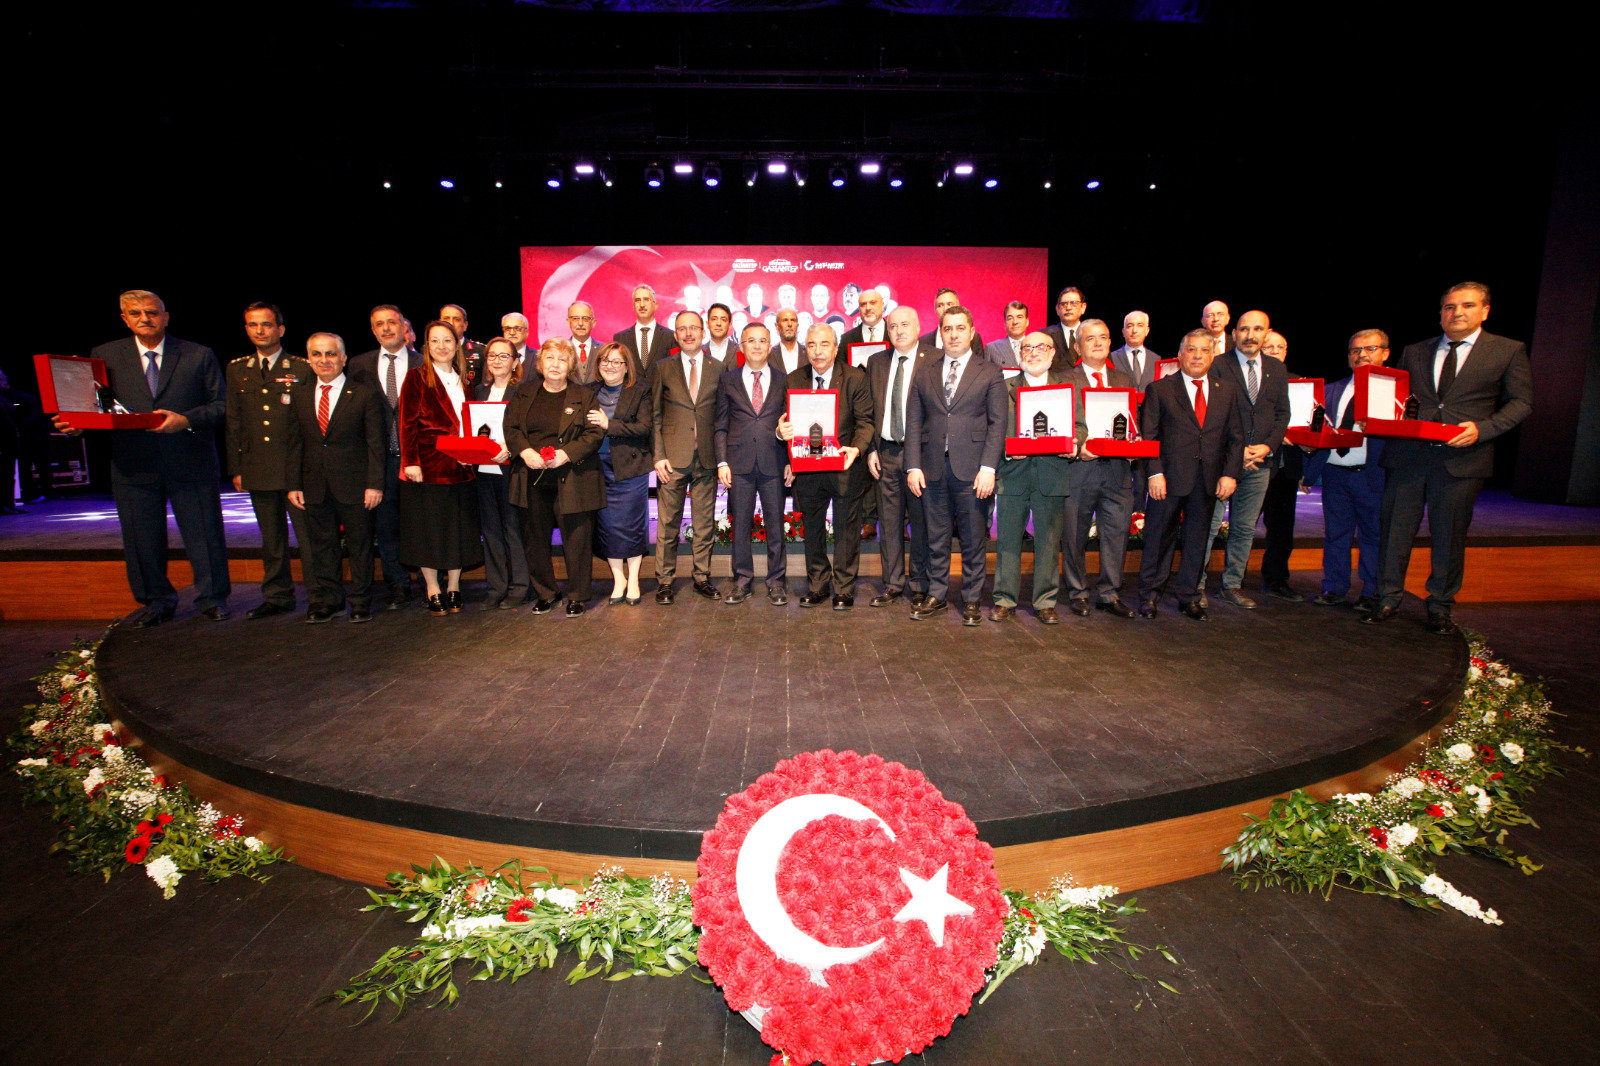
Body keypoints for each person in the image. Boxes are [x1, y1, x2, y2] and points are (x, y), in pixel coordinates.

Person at [52, 290, 230, 627]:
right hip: (133, 463)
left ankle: (213, 598)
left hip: (190, 459)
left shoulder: (198, 354)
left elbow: (222, 406)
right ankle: (156, 601)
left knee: (204, 533)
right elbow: (94, 409)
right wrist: (76, 427)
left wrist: (187, 419)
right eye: (135, 313)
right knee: (141, 538)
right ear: (124, 318)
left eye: (151, 312)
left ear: (166, 316)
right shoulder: (104, 356)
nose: (144, 318)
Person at [1365, 282, 1533, 634]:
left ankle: (1439, 606)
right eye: (1449, 307)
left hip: (1463, 459)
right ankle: (1386, 598)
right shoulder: (1415, 350)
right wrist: (1377, 414)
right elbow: (1395, 398)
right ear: (1440, 313)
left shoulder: (1507, 350)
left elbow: (1521, 403)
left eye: (1467, 306)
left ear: (1484, 311)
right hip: (1408, 457)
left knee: (1450, 536)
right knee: (1394, 532)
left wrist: (1484, 428)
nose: (1457, 312)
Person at [906, 305, 1007, 625]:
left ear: (972, 332)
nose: (953, 334)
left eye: (959, 328)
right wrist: (912, 465)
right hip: (932, 468)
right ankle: (936, 594)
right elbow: (914, 421)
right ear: (940, 333)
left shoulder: (990, 372)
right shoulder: (925, 371)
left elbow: (997, 424)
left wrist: (989, 468)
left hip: (974, 471)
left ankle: (973, 599)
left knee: (973, 537)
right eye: (947, 328)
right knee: (935, 537)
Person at [1136, 330, 1244, 620]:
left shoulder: (1226, 390)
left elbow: (1236, 437)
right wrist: (1154, 473)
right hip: (1167, 480)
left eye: (1204, 351)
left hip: (1208, 480)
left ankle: (1188, 596)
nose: (1197, 356)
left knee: (1198, 539)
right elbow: (1150, 435)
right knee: (1159, 538)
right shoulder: (1160, 389)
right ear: (1180, 355)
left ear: (1212, 355)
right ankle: (1149, 595)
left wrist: (1230, 474)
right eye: (1191, 350)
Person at [285, 332, 385, 623]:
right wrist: (293, 484)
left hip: (355, 485)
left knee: (360, 544)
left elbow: (375, 443)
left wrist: (375, 483)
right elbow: (294, 443)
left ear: (343, 358)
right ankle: (328, 601)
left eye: (330, 354)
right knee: (322, 546)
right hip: (314, 485)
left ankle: (361, 600)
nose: (324, 360)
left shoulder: (364, 394)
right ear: (309, 360)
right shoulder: (300, 395)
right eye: (317, 354)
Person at [225, 301, 313, 620]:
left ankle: (318, 594)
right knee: (271, 538)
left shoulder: (302, 368)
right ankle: (277, 596)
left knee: (308, 537)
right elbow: (233, 422)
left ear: (280, 329)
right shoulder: (237, 369)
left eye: (265, 324)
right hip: (257, 466)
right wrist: (235, 468)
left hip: (296, 467)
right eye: (252, 325)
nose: (259, 331)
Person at [1198, 310, 1290, 609]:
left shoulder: (1276, 369)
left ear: (1267, 333)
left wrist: (1266, 447)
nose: (1250, 335)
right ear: (1234, 333)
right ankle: (1195, 586)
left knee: (1244, 527)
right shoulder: (1218, 365)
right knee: (1209, 525)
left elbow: (1282, 415)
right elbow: (1211, 414)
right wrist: (1236, 454)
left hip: (1260, 463)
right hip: (1223, 462)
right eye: (1244, 329)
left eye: (1257, 329)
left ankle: (1232, 586)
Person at [778, 323, 874, 609]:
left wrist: (856, 449)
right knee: (813, 528)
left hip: (844, 466)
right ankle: (818, 584)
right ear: (805, 349)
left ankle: (843, 588)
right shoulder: (793, 379)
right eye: (811, 345)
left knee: (846, 529)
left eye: (823, 345)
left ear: (835, 348)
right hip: (807, 468)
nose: (817, 351)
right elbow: (787, 423)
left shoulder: (856, 378)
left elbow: (866, 421)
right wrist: (784, 437)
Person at [506, 338, 605, 616]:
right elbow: (511, 428)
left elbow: (594, 433)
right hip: (531, 477)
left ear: (571, 365)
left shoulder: (584, 395)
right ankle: (547, 593)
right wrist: (525, 452)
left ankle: (577, 595)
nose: (555, 365)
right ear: (539, 364)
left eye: (562, 360)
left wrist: (566, 454)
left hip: (573, 477)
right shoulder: (523, 393)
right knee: (535, 540)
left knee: (577, 540)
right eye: (549, 358)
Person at [1303, 330, 1390, 615]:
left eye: (1370, 348)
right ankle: (1334, 588)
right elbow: (1319, 432)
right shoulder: (1332, 389)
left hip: (1372, 474)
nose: (1362, 354)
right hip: (1335, 473)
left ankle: (1371, 592)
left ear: (1385, 353)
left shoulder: (1394, 392)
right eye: (1355, 350)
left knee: (1372, 535)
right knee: (1336, 534)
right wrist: (1309, 473)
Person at [398, 320, 482, 615]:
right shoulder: (417, 377)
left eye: (448, 340)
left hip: (462, 468)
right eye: (435, 341)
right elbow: (407, 424)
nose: (442, 346)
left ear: (457, 344)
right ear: (427, 346)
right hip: (429, 467)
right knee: (428, 531)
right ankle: (433, 588)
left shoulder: (465, 379)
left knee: (458, 529)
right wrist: (410, 462)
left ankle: (454, 586)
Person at [991, 331, 1074, 623]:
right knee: (1008, 542)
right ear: (1019, 354)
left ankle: (1045, 602)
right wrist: (1008, 450)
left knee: (1049, 542)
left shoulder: (1067, 387)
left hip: (1053, 475)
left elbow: (1081, 426)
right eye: (1028, 348)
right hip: (1013, 474)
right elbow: (992, 430)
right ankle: (1004, 599)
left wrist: (1074, 445)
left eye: (1041, 347)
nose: (1034, 352)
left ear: (1052, 353)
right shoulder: (1003, 388)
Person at [1063, 320, 1137, 619]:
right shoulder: (1065, 380)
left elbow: (1132, 422)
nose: (1097, 343)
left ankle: (1109, 592)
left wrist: (1135, 439)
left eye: (1103, 337)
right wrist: (1078, 447)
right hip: (1079, 470)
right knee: (1074, 535)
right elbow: (1062, 423)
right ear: (1078, 347)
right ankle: (1078, 591)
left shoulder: (1124, 380)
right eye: (1089, 338)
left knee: (1116, 534)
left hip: (1118, 472)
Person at [652, 310, 726, 603]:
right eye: (682, 329)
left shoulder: (718, 367)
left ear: (703, 331)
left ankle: (701, 578)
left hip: (706, 457)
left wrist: (722, 458)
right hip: (672, 458)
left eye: (693, 328)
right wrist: (658, 455)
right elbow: (655, 415)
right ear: (675, 334)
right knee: (668, 525)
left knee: (704, 523)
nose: (688, 333)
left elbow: (722, 416)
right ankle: (665, 581)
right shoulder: (662, 368)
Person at [348, 304, 418, 609]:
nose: (387, 328)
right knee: (387, 526)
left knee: (421, 523)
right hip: (380, 461)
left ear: (404, 327)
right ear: (373, 330)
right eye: (380, 324)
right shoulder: (358, 365)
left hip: (417, 459)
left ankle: (434, 582)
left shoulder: (423, 362)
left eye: (392, 322)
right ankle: (398, 585)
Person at [866, 306, 937, 608]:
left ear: (919, 326)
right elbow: (869, 411)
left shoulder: (934, 359)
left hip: (919, 455)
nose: (898, 330)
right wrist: (871, 448)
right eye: (893, 326)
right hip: (886, 452)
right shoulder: (876, 362)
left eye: (905, 324)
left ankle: (920, 582)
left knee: (920, 522)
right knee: (889, 523)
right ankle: (893, 583)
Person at [716, 322, 792, 606]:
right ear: (742, 346)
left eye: (762, 341)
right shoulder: (728, 380)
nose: (757, 346)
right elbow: (720, 425)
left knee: (775, 526)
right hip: (739, 465)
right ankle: (742, 581)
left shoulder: (785, 379)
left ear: (770, 344)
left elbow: (790, 424)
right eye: (751, 341)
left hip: (774, 462)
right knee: (741, 527)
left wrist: (791, 461)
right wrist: (722, 461)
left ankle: (776, 582)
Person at [588, 341, 652, 605]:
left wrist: (608, 424)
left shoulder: (640, 391)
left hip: (630, 470)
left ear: (627, 368)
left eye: (616, 362)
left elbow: (643, 427)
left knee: (631, 527)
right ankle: (618, 579)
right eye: (605, 361)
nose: (610, 366)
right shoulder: (587, 391)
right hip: (597, 469)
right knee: (608, 528)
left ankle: (634, 579)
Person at [472, 339, 529, 610]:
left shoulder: (523, 392)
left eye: (504, 356)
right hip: (483, 469)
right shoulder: (478, 391)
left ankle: (519, 586)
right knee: (490, 530)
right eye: (492, 355)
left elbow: (527, 429)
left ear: (515, 362)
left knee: (513, 528)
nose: (496, 360)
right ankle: (496, 587)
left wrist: (510, 447)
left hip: (513, 468)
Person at [1257, 329, 1305, 602]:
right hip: (1254, 464)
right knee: (1241, 525)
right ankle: (1230, 580)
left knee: (1281, 528)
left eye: (1280, 346)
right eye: (1269, 346)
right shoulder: (1249, 382)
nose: (1275, 351)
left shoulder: (1300, 383)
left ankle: (1276, 579)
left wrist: (1306, 441)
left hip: (1286, 467)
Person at [1110, 309, 1160, 516]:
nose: (1134, 330)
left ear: (1147, 330)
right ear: (1123, 331)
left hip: (1147, 424)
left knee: (1141, 479)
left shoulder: (1157, 360)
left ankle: (1138, 522)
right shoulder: (1111, 358)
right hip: (1119, 423)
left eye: (1139, 325)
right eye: (1129, 326)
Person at [614, 285, 674, 375]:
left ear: (655, 305)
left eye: (647, 299)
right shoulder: (620, 338)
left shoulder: (670, 336)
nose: (642, 305)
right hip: (630, 389)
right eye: (638, 300)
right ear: (633, 306)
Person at [918, 288, 985, 352]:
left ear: (958, 306)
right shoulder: (922, 342)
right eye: (940, 305)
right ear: (935, 310)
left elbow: (979, 362)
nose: (945, 309)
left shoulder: (973, 338)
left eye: (949, 304)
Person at [439, 304, 484, 385]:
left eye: (456, 319)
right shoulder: (428, 350)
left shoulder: (480, 351)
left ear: (465, 325)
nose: (451, 323)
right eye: (446, 318)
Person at [1044, 287, 1087, 366]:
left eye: (1074, 303)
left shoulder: (1092, 334)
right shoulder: (1044, 335)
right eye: (1064, 304)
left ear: (1083, 307)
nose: (1068, 308)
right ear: (1057, 309)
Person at [984, 301, 1030, 371]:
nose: (1015, 322)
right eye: (1010, 318)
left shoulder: (1037, 349)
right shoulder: (992, 348)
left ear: (1027, 322)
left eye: (1019, 317)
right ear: (1005, 323)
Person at [564, 302, 601, 381]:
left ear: (593, 323)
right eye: (575, 318)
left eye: (585, 319)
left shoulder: (604, 350)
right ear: (568, 322)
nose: (580, 323)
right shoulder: (561, 350)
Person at [773, 309, 806, 376]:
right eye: (785, 320)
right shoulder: (769, 356)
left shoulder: (808, 353)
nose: (790, 324)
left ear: (797, 325)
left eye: (793, 320)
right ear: (777, 326)